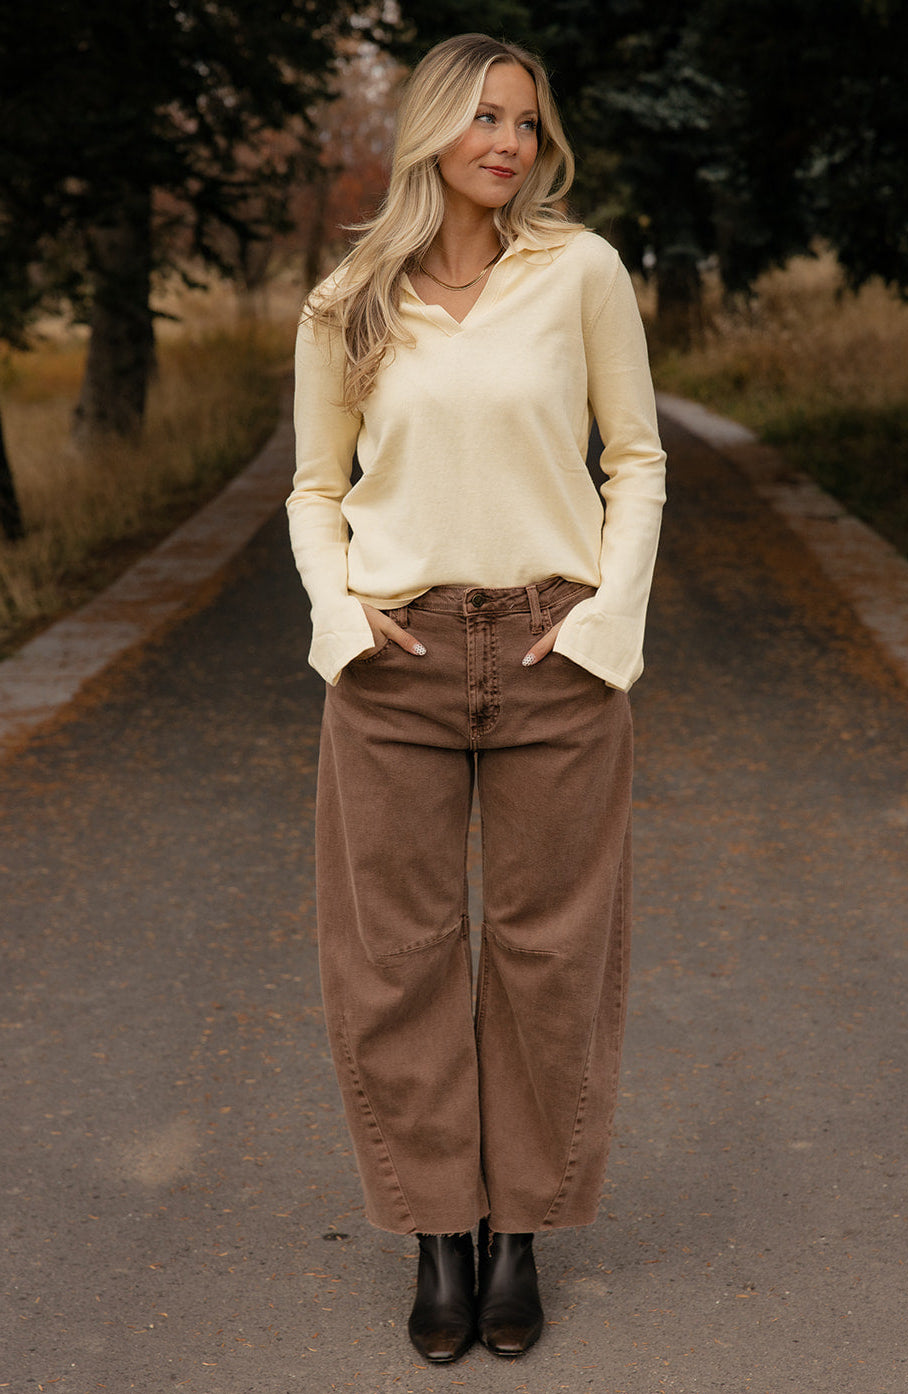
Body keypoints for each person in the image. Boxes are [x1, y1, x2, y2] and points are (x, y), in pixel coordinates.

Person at [287, 32, 666, 1364]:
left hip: (550, 650)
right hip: (392, 665)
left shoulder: (581, 273)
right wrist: (340, 620)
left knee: (546, 950)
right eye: (484, 116)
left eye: (525, 120)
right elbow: (314, 487)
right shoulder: (350, 296)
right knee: (394, 956)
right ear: (434, 129)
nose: (507, 140)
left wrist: (604, 626)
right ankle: (434, 1232)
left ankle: (519, 1232)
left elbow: (632, 457)